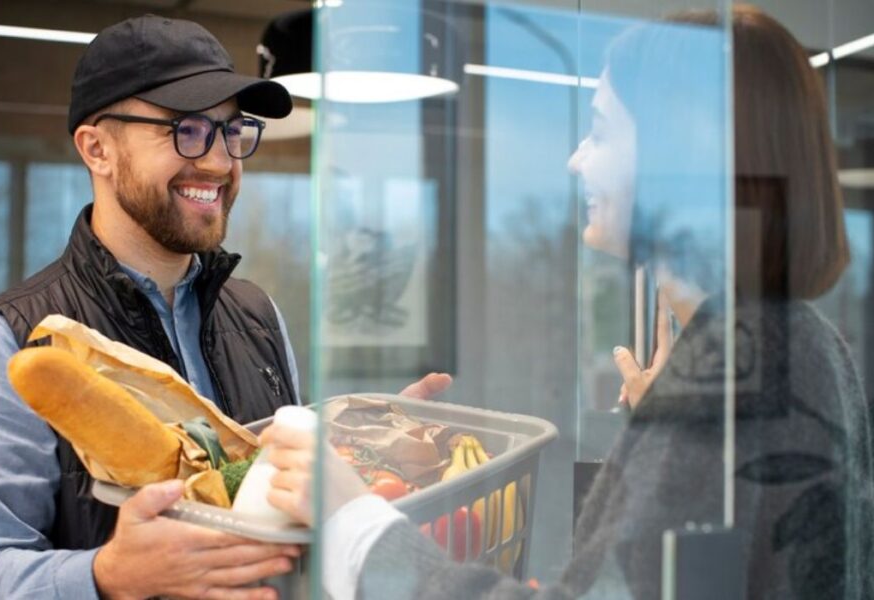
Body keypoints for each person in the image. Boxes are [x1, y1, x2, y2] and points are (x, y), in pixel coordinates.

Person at [262, 5, 874, 599]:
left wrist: (354, 522)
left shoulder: (731, 376)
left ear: (681, 154)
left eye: (602, 130)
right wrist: (666, 436)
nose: (575, 158)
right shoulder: (803, 341)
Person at [0, 14, 455, 600]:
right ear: (97, 148)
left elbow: (259, 486)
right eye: (185, 130)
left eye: (231, 132)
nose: (217, 162)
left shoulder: (258, 314)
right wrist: (108, 576)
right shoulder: (8, 340)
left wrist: (360, 443)